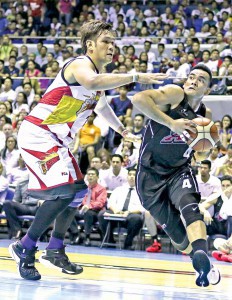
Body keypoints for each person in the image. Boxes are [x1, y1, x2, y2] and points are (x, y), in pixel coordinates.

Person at [9, 20, 167, 281]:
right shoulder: (80, 65)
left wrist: (122, 131)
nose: (111, 47)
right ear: (89, 45)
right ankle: (24, 247)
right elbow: (92, 83)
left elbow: (102, 106)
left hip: (56, 140)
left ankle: (55, 249)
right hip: (38, 135)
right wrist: (135, 76)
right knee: (62, 193)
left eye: (113, 43)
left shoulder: (97, 79)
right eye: (106, 41)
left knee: (79, 191)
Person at [132, 64, 221, 287]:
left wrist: (207, 145)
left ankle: (202, 253)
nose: (193, 81)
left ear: (207, 90)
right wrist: (171, 123)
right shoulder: (175, 94)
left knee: (190, 205)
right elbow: (138, 99)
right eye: (191, 77)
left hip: (177, 170)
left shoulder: (204, 116)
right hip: (149, 175)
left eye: (201, 80)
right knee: (177, 235)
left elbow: (200, 152)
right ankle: (200, 262)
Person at [98, 168, 144, 250]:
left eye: (134, 175)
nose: (132, 177)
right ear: (127, 176)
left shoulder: (141, 191)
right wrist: (115, 210)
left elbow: (142, 208)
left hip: (131, 215)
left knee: (137, 219)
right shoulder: (119, 189)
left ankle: (128, 243)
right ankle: (110, 240)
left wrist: (129, 212)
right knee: (102, 214)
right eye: (130, 175)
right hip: (116, 213)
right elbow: (110, 203)